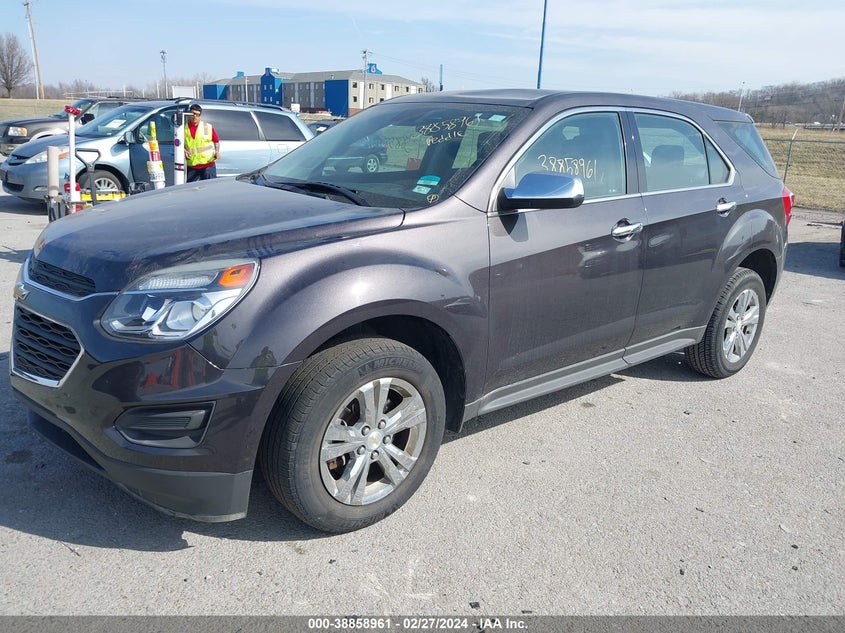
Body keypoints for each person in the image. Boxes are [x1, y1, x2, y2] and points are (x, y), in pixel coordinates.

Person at [184, 104, 220, 181]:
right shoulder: (184, 128)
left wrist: (217, 152)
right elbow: (179, 144)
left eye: (197, 115)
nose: (194, 116)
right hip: (192, 166)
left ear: (200, 116)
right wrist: (184, 151)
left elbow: (216, 141)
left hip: (208, 165)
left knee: (210, 189)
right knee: (192, 190)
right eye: (192, 114)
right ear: (189, 114)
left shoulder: (207, 127)